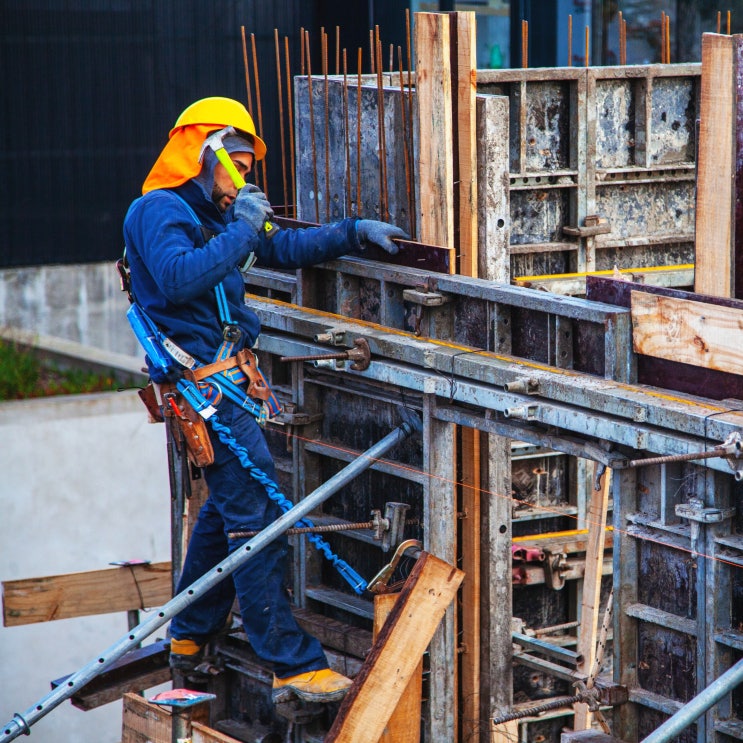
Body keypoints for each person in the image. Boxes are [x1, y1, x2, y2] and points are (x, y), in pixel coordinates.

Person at [123, 96, 406, 704]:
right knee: (258, 524)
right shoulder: (157, 212)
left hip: (225, 386)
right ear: (209, 152)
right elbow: (177, 277)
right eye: (241, 164)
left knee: (228, 512)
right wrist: (245, 228)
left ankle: (191, 635)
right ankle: (289, 660)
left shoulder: (226, 215)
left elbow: (283, 247)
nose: (247, 178)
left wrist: (353, 232)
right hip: (205, 392)